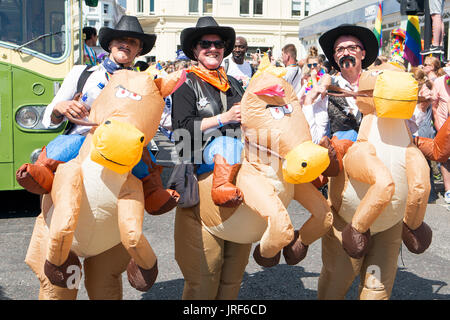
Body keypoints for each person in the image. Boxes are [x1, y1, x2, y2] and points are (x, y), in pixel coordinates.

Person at [16, 15, 178, 216]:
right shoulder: (82, 74)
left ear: (139, 50)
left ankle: (153, 194)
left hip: (124, 145)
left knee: (147, 161)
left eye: (133, 42)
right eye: (121, 40)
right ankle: (43, 172)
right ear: (110, 44)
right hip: (83, 141)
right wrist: (61, 107)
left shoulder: (145, 83)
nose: (125, 45)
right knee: (64, 145)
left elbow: (164, 120)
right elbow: (48, 117)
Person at [171, 16, 248, 300]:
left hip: (236, 165)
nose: (212, 48)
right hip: (201, 165)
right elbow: (180, 129)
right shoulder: (186, 83)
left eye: (218, 44)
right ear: (195, 50)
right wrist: (223, 118)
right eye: (205, 44)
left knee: (233, 274)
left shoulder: (234, 84)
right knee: (204, 275)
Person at [430, 67, 450, 203]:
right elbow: (434, 106)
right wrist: (438, 126)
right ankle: (448, 190)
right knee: (445, 158)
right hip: (444, 126)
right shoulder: (439, 82)